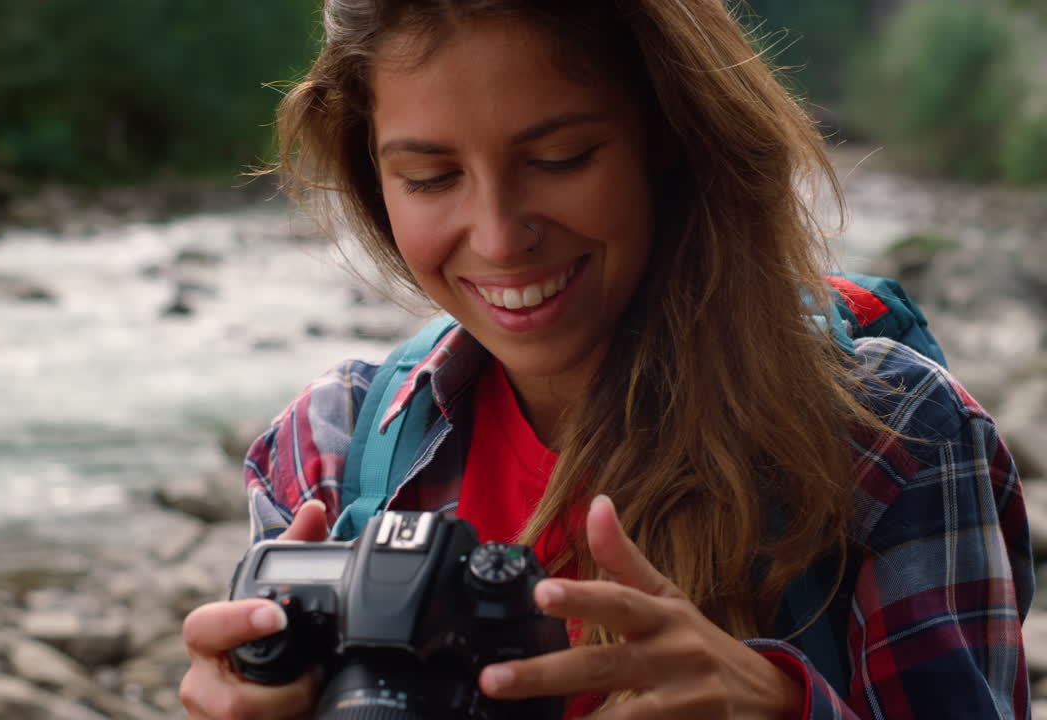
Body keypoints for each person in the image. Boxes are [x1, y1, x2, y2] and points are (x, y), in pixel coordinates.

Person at [179, 1, 1035, 718]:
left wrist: (779, 704)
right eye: (432, 178)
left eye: (561, 158)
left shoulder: (892, 435)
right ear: (374, 183)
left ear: (672, 141)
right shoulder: (327, 450)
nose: (501, 237)